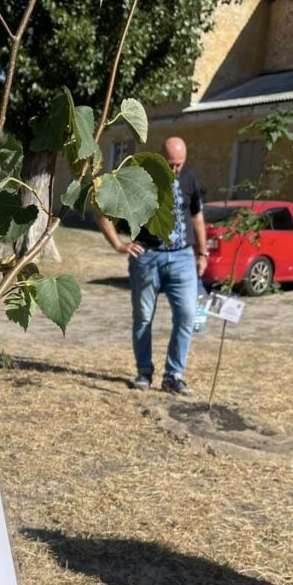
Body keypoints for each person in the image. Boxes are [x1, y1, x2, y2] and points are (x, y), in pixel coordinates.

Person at [95, 137, 209, 395]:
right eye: (170, 164)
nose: (175, 170)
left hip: (182, 258)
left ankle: (174, 375)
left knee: (188, 316)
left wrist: (202, 252)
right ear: (159, 157)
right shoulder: (140, 179)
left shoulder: (189, 178)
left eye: (179, 164)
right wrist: (118, 244)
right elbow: (101, 211)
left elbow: (197, 216)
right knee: (144, 317)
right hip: (147, 257)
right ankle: (143, 372)